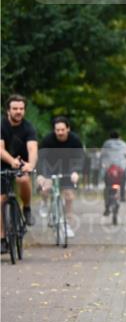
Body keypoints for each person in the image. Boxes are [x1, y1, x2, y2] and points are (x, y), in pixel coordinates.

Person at [36, 116, 85, 238]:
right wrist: (41, 174)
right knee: (46, 187)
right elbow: (41, 158)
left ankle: (66, 223)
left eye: (62, 130)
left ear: (68, 129)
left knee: (69, 195)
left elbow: (80, 157)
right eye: (57, 130)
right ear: (54, 130)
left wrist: (76, 171)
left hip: (68, 168)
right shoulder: (48, 140)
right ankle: (44, 202)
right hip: (50, 166)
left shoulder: (75, 140)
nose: (60, 132)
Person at [1, 94, 37, 251]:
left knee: (23, 180)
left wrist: (31, 164)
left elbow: (32, 148)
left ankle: (27, 208)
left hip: (22, 162)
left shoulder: (28, 127)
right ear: (8, 110)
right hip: (3, 163)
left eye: (21, 109)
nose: (18, 111)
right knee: (1, 200)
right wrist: (11, 161)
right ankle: (2, 238)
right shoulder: (1, 125)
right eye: (15, 108)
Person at [100, 130, 126, 215]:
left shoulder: (106, 143)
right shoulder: (123, 144)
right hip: (120, 170)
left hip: (109, 170)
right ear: (119, 137)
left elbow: (101, 156)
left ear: (110, 137)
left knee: (107, 188)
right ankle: (123, 196)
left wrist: (102, 166)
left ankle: (107, 207)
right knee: (123, 182)